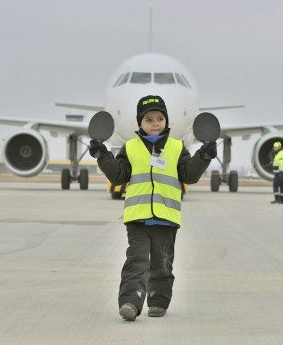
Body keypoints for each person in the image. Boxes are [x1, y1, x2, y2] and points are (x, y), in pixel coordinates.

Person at [89, 95, 216, 321]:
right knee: (136, 261)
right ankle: (130, 301)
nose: (155, 123)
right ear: (140, 123)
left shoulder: (178, 148)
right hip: (138, 218)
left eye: (159, 118)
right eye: (149, 119)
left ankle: (158, 301)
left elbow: (190, 175)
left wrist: (204, 155)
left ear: (166, 121)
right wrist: (103, 155)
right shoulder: (130, 148)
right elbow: (118, 176)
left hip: (166, 219)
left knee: (162, 264)